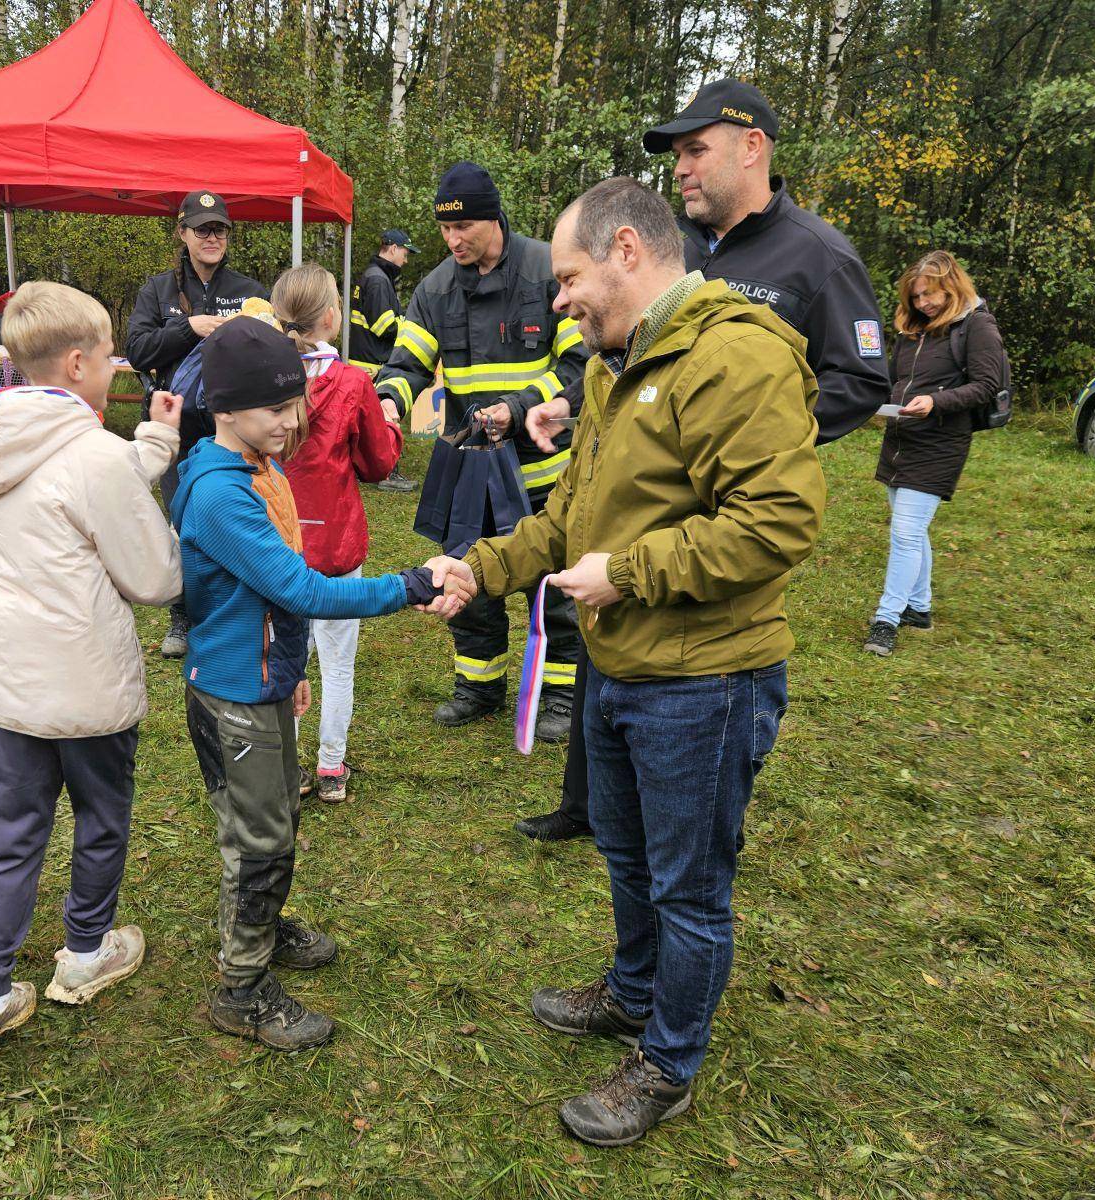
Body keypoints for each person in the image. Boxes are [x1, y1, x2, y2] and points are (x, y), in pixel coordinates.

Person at [439, 177, 825, 1145]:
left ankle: (668, 1063)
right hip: (624, 668)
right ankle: (633, 991)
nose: (556, 297)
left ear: (625, 251)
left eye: (566, 276)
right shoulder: (615, 365)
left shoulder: (735, 357)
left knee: (688, 886)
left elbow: (777, 522)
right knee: (624, 854)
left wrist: (631, 574)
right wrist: (477, 569)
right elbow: (570, 519)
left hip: (704, 681)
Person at [513, 78, 889, 842]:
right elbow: (642, 372)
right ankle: (589, 807)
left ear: (753, 148)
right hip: (632, 538)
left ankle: (692, 828)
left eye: (695, 150)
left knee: (689, 847)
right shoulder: (672, 250)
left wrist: (754, 438)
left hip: (725, 538)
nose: (680, 168)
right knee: (605, 643)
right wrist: (580, 407)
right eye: (675, 155)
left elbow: (863, 377)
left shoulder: (817, 255)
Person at [169, 316, 466, 1052]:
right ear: (226, 408)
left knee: (274, 823)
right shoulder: (218, 494)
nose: (291, 420)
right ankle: (242, 987)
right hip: (233, 697)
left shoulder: (256, 470)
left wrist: (293, 670)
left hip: (264, 683)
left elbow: (268, 602)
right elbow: (302, 589)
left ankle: (262, 930)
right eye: (275, 409)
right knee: (258, 838)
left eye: (295, 403)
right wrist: (411, 586)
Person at [0, 282, 186, 1067]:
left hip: (11, 680)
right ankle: (84, 956)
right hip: (86, 686)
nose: (118, 366)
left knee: (12, 839)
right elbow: (154, 577)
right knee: (101, 820)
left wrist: (150, 445)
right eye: (111, 355)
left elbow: (86, 480)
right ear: (79, 363)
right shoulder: (92, 456)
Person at [374, 162, 589, 737]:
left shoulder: (548, 272)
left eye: (462, 227)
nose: (452, 240)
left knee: (559, 590)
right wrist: (390, 400)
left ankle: (561, 697)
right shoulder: (435, 287)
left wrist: (517, 409)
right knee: (466, 580)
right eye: (444, 230)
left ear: (493, 216)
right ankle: (480, 685)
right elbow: (406, 363)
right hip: (472, 471)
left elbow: (579, 366)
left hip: (544, 469)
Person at [274, 263, 404, 803]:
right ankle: (330, 766)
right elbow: (378, 464)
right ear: (332, 317)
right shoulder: (353, 383)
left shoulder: (267, 377)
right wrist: (391, 422)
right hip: (335, 543)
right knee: (337, 661)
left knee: (285, 658)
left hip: (278, 541)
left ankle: (284, 767)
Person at [124, 189, 269, 661]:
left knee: (239, 517)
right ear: (183, 233)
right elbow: (139, 351)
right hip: (177, 429)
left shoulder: (250, 291)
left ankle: (236, 612)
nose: (212, 237)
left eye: (220, 229)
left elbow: (271, 349)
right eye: (202, 228)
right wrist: (192, 326)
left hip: (235, 430)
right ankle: (183, 616)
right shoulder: (158, 290)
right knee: (183, 522)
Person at [865, 251, 1004, 656]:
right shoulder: (913, 330)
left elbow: (986, 384)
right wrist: (880, 402)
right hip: (901, 438)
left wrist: (935, 402)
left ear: (952, 286)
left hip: (942, 442)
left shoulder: (977, 325)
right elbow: (897, 379)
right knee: (911, 529)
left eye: (930, 294)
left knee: (905, 533)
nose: (923, 303)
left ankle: (887, 620)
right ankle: (920, 608)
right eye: (916, 296)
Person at [350, 227, 420, 494]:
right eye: (405, 252)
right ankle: (388, 473)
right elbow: (384, 326)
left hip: (365, 359)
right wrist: (411, 324)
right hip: (375, 363)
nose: (406, 258)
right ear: (392, 249)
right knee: (384, 417)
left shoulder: (373, 275)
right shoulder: (378, 280)